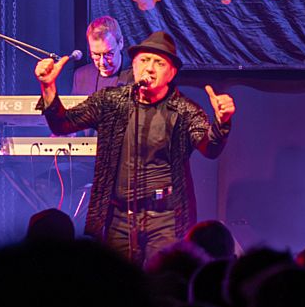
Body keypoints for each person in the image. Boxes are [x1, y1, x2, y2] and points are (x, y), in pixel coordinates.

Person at [33, 29, 235, 260]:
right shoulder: (111, 101)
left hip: (165, 218)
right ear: (135, 65)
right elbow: (63, 124)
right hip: (117, 216)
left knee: (161, 282)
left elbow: (210, 148)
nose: (149, 68)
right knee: (119, 286)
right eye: (144, 60)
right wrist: (48, 88)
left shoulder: (185, 110)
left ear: (172, 72)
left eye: (158, 63)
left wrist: (222, 123)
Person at [68, 15, 129, 97]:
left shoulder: (135, 74)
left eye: (108, 54)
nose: (102, 62)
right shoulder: (81, 76)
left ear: (121, 43)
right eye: (96, 54)